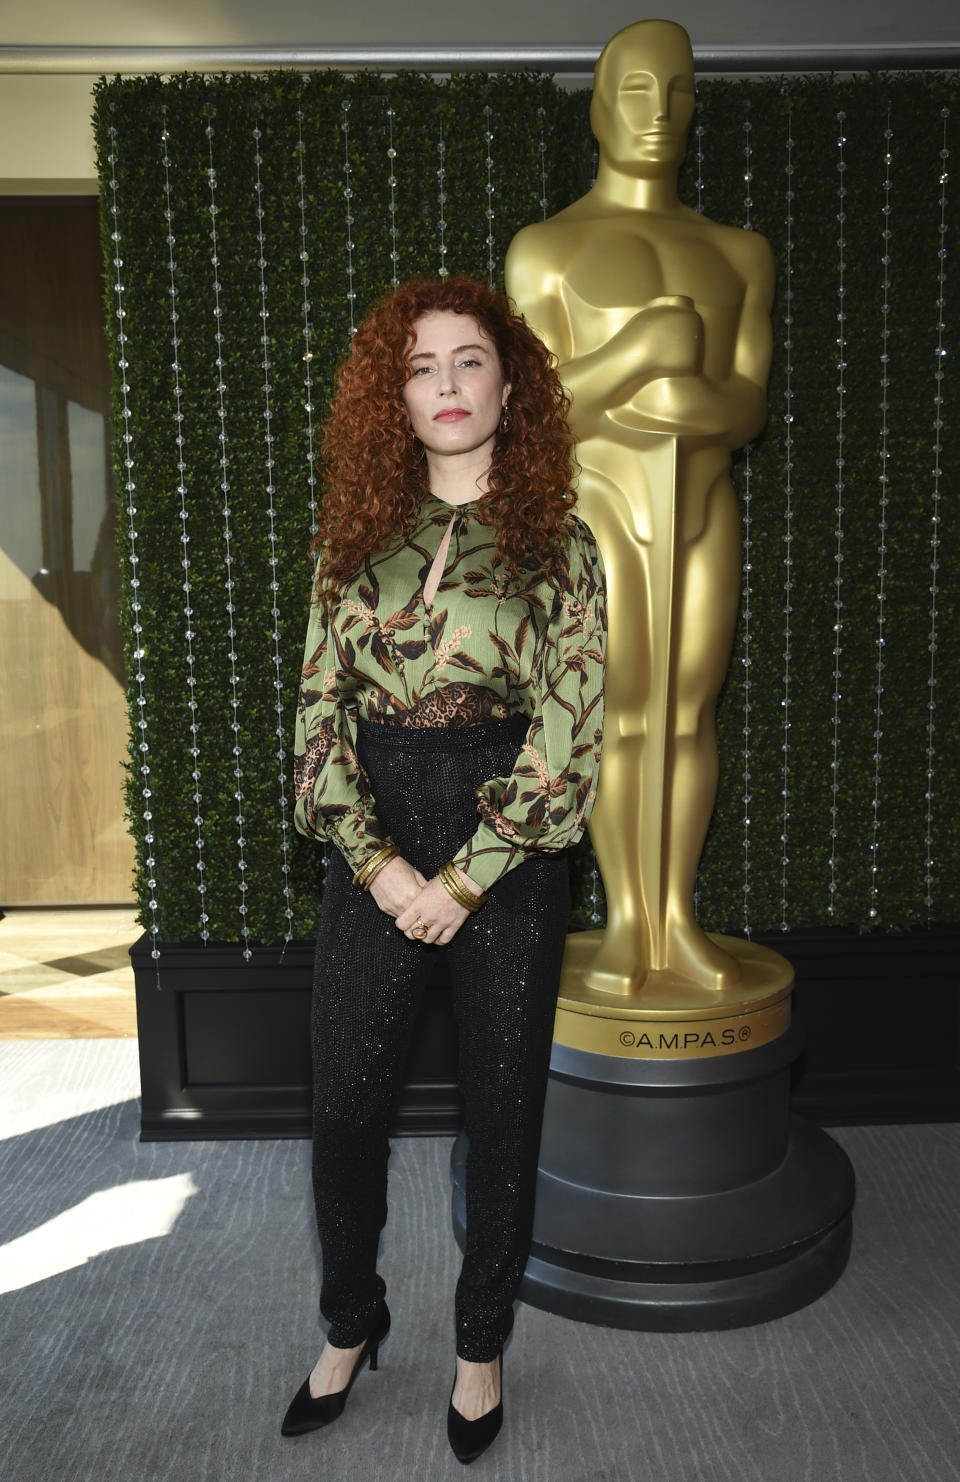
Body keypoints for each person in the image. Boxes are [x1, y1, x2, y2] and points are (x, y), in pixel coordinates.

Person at [287, 276, 606, 1462]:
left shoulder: (558, 547)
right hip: (375, 841)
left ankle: (480, 1347)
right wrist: (376, 866)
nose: (448, 386)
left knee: (503, 1113)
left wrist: (464, 877)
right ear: (394, 398)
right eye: (421, 368)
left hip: (508, 858)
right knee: (343, 1109)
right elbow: (318, 714)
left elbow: (571, 737)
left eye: (469, 361)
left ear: (509, 386)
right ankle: (350, 1322)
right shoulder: (350, 536)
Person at [506, 19, 775, 996]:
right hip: (603, 507)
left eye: (679, 92)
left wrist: (707, 402)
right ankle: (626, 928)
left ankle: (677, 922)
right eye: (635, 91)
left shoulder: (738, 252)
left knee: (690, 713)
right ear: (597, 106)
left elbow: (747, 401)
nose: (658, 113)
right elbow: (532, 407)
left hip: (701, 501)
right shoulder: (548, 252)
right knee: (623, 714)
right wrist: (640, 353)